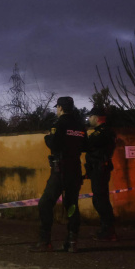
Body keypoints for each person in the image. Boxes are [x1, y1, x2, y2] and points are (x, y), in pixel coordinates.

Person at [31, 96, 87, 253]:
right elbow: (85, 146)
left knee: (46, 203)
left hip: (60, 169)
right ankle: (72, 241)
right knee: (72, 205)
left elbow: (54, 143)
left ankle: (44, 241)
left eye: (57, 108)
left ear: (61, 108)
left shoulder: (58, 123)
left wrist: (47, 138)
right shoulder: (80, 125)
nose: (56, 110)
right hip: (75, 169)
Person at [86, 107, 118, 241]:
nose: (89, 119)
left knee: (101, 200)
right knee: (100, 199)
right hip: (98, 169)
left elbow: (88, 145)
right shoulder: (105, 132)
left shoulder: (103, 133)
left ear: (97, 117)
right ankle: (106, 230)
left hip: (100, 169)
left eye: (90, 116)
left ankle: (108, 232)